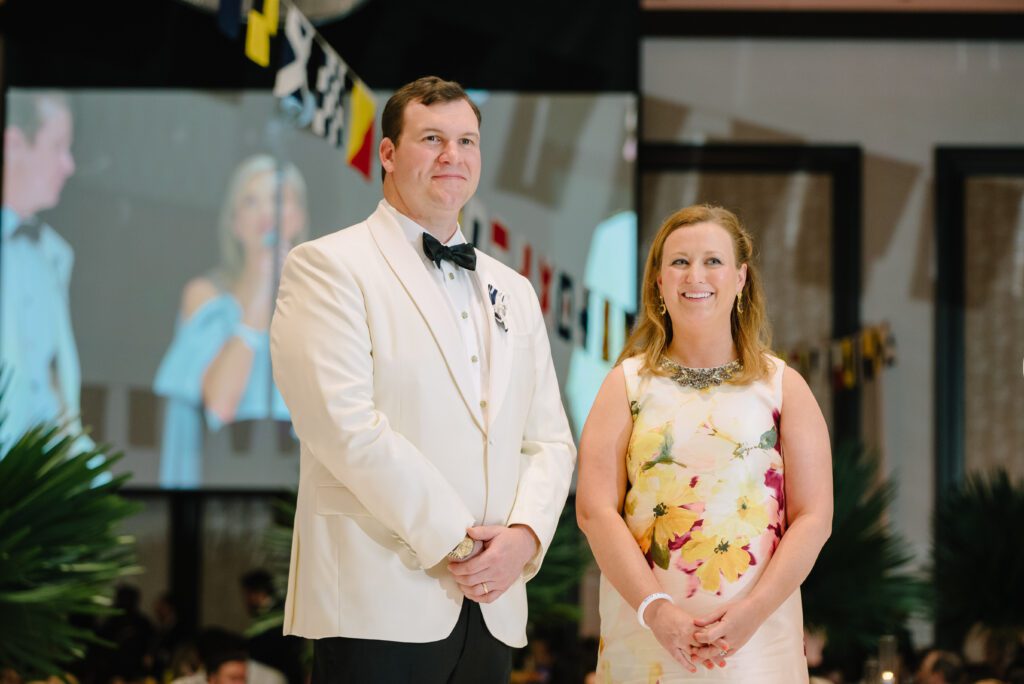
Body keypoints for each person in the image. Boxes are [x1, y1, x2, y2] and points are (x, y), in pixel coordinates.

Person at [270, 75, 576, 683]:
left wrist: (522, 537)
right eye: (431, 138)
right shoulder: (330, 265)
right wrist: (459, 544)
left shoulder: (514, 290)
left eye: (466, 141)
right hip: (375, 595)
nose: (452, 156)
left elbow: (550, 441)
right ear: (387, 153)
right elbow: (343, 426)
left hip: (492, 605)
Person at [576, 204, 832, 682]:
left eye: (713, 261)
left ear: (740, 278)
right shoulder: (625, 384)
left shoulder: (784, 385)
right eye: (679, 261)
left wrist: (752, 613)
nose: (696, 275)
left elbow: (814, 518)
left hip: (759, 645)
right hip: (647, 641)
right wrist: (657, 611)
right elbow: (594, 510)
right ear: (658, 283)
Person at [153, 154, 308, 487]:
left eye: (278, 199)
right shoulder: (205, 297)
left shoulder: (318, 302)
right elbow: (219, 406)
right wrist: (259, 296)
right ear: (236, 223)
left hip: (295, 480)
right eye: (251, 201)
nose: (267, 212)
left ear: (298, 217)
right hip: (220, 476)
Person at [0, 90, 88, 453]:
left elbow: (51, 386)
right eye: (58, 146)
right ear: (15, 143)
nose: (69, 165)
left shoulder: (53, 254)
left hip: (39, 486)